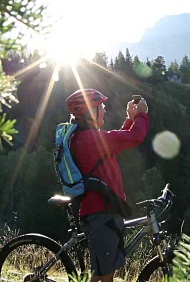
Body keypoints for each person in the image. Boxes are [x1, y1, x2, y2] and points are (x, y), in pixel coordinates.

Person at [65, 88, 150, 282]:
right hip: (101, 213)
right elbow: (135, 137)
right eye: (101, 107)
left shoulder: (88, 138)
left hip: (103, 212)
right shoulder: (90, 139)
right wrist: (142, 115)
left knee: (105, 274)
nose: (104, 110)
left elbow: (119, 140)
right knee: (103, 277)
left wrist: (130, 119)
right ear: (89, 111)